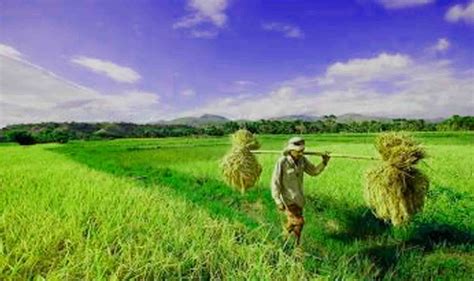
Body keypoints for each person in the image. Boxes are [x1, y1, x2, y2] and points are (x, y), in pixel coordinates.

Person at [271, 136, 330, 245]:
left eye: (302, 150)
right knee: (299, 222)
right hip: (287, 199)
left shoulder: (302, 160)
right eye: (298, 151)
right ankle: (296, 245)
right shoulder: (282, 162)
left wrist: (324, 162)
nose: (301, 153)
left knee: (293, 223)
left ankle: (283, 239)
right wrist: (277, 200)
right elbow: (275, 182)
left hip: (299, 199)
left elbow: (314, 171)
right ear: (291, 150)